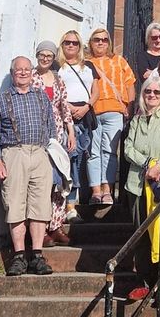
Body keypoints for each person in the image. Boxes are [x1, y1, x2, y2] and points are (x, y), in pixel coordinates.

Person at [0, 55, 59, 275]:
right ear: (12, 74)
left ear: (32, 73)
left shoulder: (40, 96)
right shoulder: (2, 99)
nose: (22, 73)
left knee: (40, 205)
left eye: (26, 69)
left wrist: (47, 153)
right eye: (18, 69)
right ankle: (19, 256)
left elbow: (51, 126)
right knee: (14, 202)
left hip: (39, 152)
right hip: (14, 153)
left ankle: (37, 255)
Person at [123, 75, 160, 300]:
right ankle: (145, 280)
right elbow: (128, 147)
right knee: (141, 234)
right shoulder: (137, 120)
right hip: (137, 184)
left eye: (157, 92)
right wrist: (147, 163)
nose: (152, 96)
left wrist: (158, 165)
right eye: (148, 91)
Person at [85, 27, 135, 209]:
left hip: (114, 111)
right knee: (93, 153)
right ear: (91, 43)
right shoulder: (86, 63)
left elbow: (130, 84)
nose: (101, 42)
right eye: (97, 39)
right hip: (93, 112)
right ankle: (95, 191)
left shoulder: (118, 61)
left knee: (109, 152)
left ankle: (107, 189)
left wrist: (128, 106)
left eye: (104, 40)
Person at [33, 40, 75, 246]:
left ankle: (56, 225)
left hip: (57, 133)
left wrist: (71, 131)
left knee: (59, 180)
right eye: (42, 55)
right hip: (38, 133)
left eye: (49, 56)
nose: (45, 59)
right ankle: (41, 229)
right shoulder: (30, 77)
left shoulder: (57, 78)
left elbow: (64, 106)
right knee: (42, 182)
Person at [57, 28, 96, 207]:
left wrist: (87, 107)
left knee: (82, 157)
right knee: (68, 156)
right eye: (67, 42)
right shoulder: (57, 66)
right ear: (62, 45)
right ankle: (66, 204)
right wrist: (69, 107)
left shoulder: (88, 66)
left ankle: (76, 201)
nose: (71, 46)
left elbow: (96, 90)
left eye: (75, 43)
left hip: (85, 114)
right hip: (65, 115)